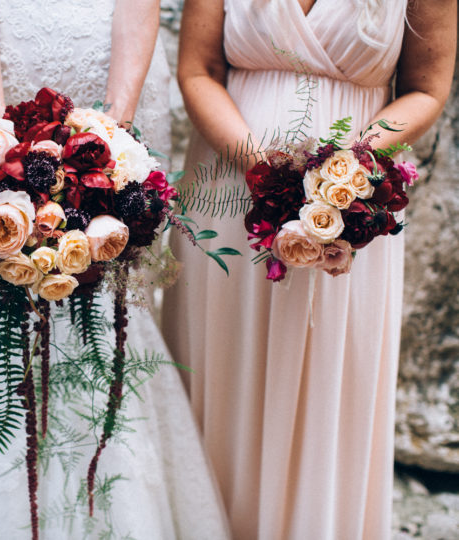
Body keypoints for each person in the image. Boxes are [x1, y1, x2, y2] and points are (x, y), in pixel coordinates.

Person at [0, 1, 231, 538]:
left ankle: (111, 494)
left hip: (112, 57)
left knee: (109, 276)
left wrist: (114, 137)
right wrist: (1, 147)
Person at [162, 0, 456, 538]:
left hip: (351, 195)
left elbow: (427, 86)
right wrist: (263, 168)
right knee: (227, 363)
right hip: (230, 190)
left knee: (331, 374)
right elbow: (198, 69)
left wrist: (345, 164)